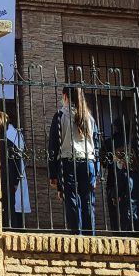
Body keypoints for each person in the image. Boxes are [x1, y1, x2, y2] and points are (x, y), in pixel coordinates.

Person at [47, 86, 99, 235]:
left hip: (68, 162)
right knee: (88, 201)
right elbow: (97, 145)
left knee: (72, 200)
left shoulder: (60, 116)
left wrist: (53, 174)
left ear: (65, 96)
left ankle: (77, 236)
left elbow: (53, 146)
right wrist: (96, 170)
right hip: (88, 162)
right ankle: (91, 237)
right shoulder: (89, 118)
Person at [104, 123, 139, 234]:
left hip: (125, 208)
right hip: (134, 208)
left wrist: (114, 196)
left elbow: (118, 189)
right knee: (136, 224)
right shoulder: (136, 175)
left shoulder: (124, 174)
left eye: (118, 160)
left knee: (122, 226)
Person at [0, 110, 26, 229]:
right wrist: (15, 182)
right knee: (9, 209)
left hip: (0, 181)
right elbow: (18, 164)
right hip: (9, 182)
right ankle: (11, 229)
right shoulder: (10, 144)